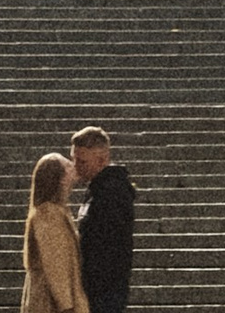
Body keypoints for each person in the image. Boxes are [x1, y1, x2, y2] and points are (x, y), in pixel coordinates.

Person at [70, 124, 137, 313]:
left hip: (103, 293)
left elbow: (109, 249)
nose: (75, 167)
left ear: (102, 160)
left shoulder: (111, 193)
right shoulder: (97, 190)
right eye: (74, 159)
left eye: (82, 161)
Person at [20, 153, 85, 313]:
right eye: (68, 166)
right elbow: (55, 262)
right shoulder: (49, 214)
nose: (74, 166)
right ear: (60, 178)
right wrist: (66, 305)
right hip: (51, 304)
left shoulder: (54, 211)